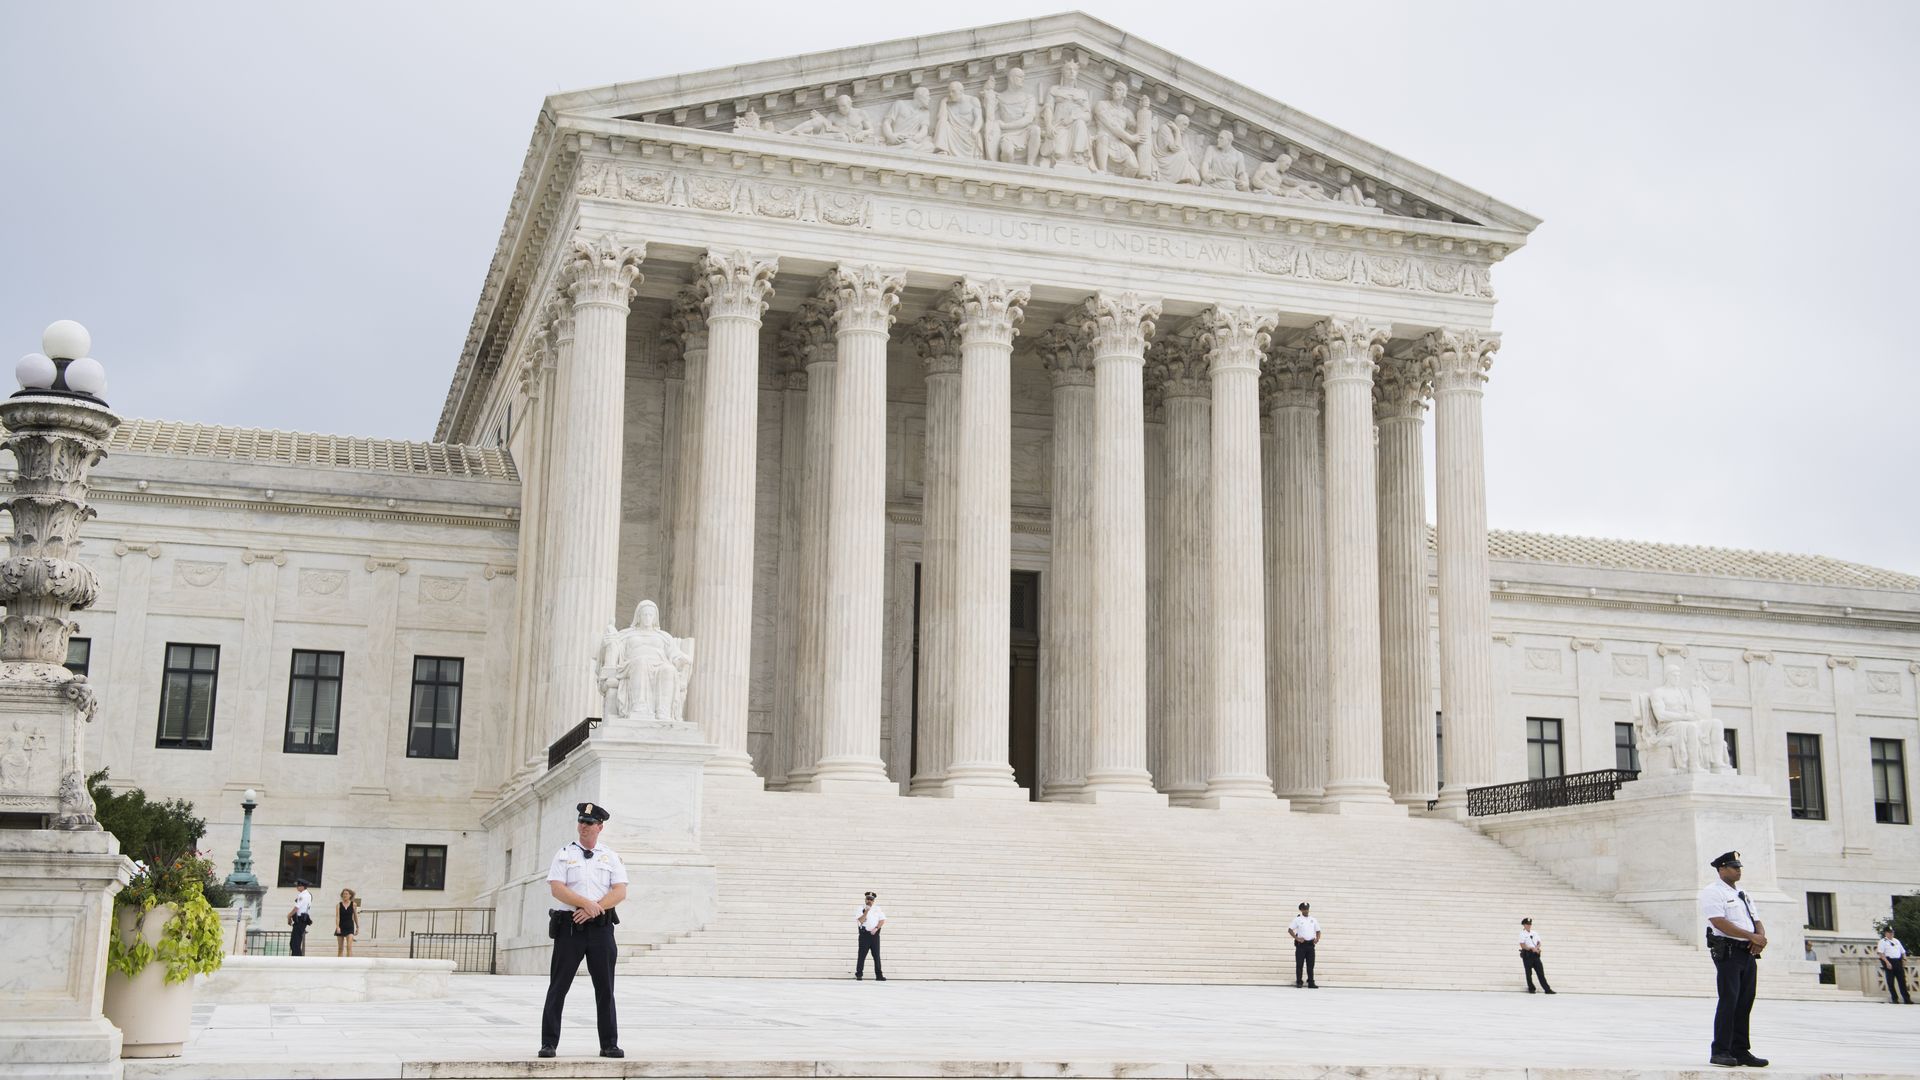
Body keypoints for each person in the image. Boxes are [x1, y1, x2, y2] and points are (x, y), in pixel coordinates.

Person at [540, 802, 628, 1060]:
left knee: (605, 989)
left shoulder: (610, 856)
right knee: (558, 986)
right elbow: (557, 887)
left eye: (589, 823)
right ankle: (548, 1043)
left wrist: (594, 908)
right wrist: (585, 904)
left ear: (600, 827)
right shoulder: (564, 854)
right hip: (570, 928)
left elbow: (620, 891)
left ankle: (609, 1044)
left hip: (601, 929)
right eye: (581, 822)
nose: (583, 826)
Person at [1700, 850, 1768, 1068]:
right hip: (1728, 951)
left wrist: (1760, 938)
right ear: (1721, 869)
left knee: (1745, 1000)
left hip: (1748, 951)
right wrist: (1752, 936)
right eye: (1733, 867)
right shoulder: (1713, 892)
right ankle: (1720, 1050)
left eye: (1739, 867)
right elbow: (1718, 921)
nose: (1738, 871)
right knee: (1729, 1000)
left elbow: (1755, 919)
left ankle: (1740, 1049)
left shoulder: (1743, 893)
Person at [1518, 918, 1555, 994]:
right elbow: (1522, 945)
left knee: (1540, 972)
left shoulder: (1534, 933)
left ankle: (1547, 989)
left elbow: (1539, 942)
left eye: (1530, 924)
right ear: (1524, 925)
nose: (1529, 926)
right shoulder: (1522, 934)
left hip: (1535, 954)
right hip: (1527, 955)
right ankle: (1531, 989)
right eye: (1527, 924)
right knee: (1529, 973)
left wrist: (1536, 948)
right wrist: (1531, 948)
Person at [1288, 901, 1320, 988]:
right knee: (1299, 964)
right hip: (1301, 945)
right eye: (1304, 909)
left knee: (1310, 964)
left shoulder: (1313, 919)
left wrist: (1317, 939)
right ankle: (1299, 981)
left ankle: (1311, 982)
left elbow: (1318, 930)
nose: (1306, 911)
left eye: (1307, 909)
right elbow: (1290, 930)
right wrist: (1297, 938)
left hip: (1310, 945)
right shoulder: (1297, 919)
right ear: (1301, 910)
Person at [855, 890, 886, 981]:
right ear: (865, 899)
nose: (869, 901)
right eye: (868, 899)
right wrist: (866, 911)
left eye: (871, 900)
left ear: (874, 900)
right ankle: (859, 974)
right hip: (864, 935)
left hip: (875, 935)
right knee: (862, 955)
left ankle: (879, 975)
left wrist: (876, 928)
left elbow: (882, 920)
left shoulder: (877, 908)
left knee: (876, 955)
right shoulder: (860, 908)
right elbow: (860, 920)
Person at [1878, 927, 1913, 1004]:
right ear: (1886, 933)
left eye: (1892, 932)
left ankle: (1907, 999)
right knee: (1891, 982)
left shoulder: (1896, 941)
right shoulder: (1882, 941)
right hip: (1889, 961)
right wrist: (1887, 962)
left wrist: (1904, 959)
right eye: (1889, 932)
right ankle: (1894, 999)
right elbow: (1881, 953)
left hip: (1898, 961)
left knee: (1902, 981)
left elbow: (1903, 952)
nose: (1891, 934)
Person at [287, 880, 313, 956]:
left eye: (298, 886)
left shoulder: (303, 895)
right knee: (295, 942)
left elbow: (297, 907)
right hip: (301, 920)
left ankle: (297, 959)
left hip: (300, 920)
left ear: (302, 886)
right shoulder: (307, 894)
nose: (297, 887)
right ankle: (297, 958)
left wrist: (289, 915)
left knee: (295, 942)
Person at [334, 888, 360, 957]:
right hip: (341, 926)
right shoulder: (338, 905)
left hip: (350, 927)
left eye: (346, 894)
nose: (344, 895)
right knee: (340, 948)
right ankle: (339, 964)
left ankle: (349, 964)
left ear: (350, 895)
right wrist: (337, 927)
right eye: (343, 894)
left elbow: (355, 916)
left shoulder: (353, 904)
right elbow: (337, 917)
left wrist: (357, 927)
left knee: (349, 947)